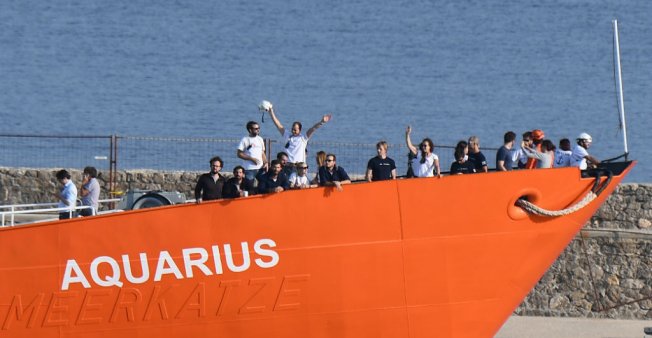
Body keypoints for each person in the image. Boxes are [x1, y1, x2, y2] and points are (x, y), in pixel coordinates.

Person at [265, 103, 332, 164]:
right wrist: (271, 112)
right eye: (292, 129)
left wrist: (321, 122)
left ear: (300, 130)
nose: (293, 131)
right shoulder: (287, 135)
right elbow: (278, 124)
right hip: (287, 164)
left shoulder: (303, 138)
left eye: (295, 130)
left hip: (299, 165)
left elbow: (313, 128)